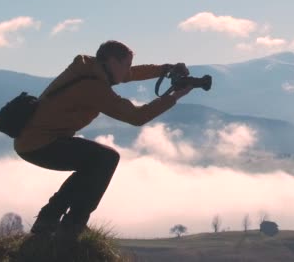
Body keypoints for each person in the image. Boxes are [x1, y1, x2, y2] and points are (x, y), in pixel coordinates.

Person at [14, 40, 192, 241]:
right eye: (126, 64)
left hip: (32, 141)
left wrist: (165, 70)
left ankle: (49, 219)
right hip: (40, 144)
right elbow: (137, 117)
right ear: (112, 62)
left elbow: (131, 74)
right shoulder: (93, 87)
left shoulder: (90, 68)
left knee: (92, 165)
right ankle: (73, 225)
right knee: (106, 158)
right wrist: (175, 96)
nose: (128, 71)